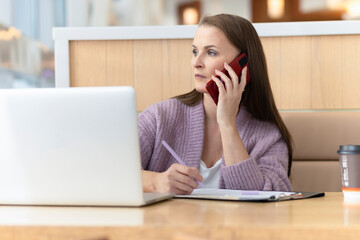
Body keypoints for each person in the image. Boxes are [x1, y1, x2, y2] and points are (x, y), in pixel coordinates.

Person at [138, 14, 293, 195]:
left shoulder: (268, 137)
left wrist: (227, 124)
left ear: (242, 65)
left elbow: (267, 198)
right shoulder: (159, 117)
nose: (196, 62)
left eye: (211, 52)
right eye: (195, 51)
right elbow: (104, 170)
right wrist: (155, 182)